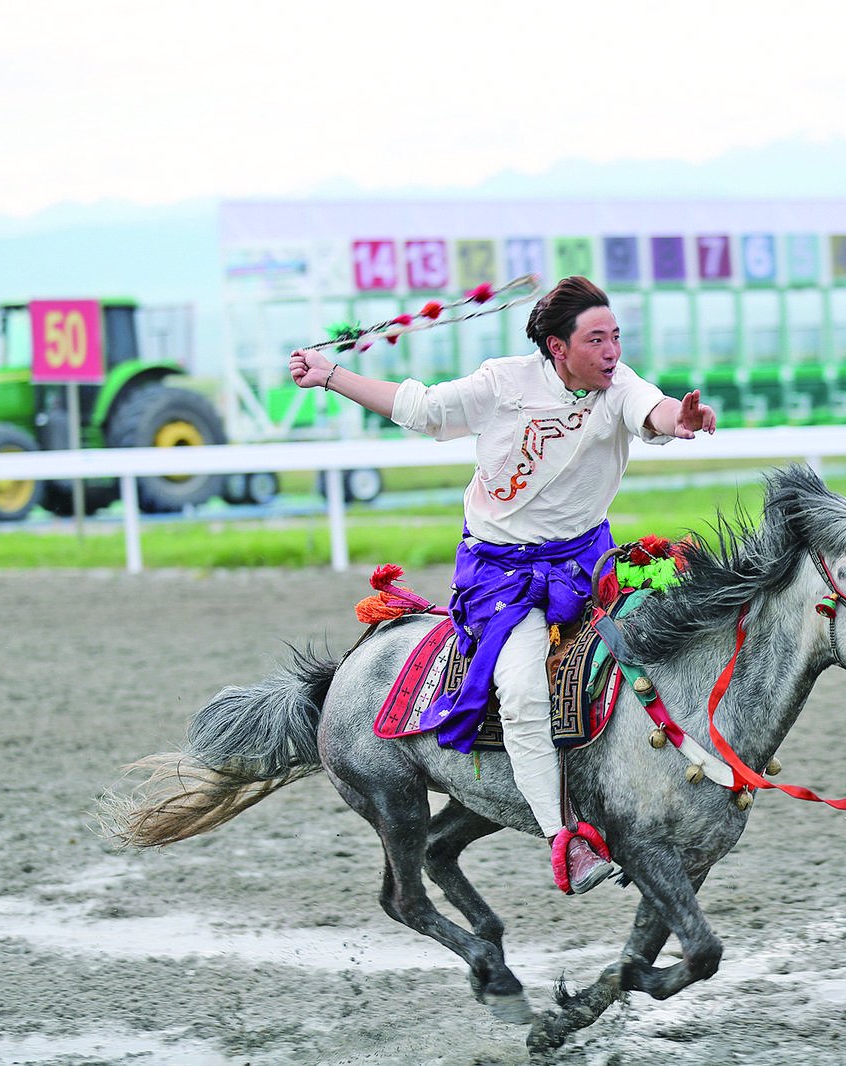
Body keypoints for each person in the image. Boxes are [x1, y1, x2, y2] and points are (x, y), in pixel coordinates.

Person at [288, 276, 715, 893]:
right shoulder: (501, 383)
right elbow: (421, 409)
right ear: (557, 347)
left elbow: (657, 411)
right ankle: (566, 839)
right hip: (502, 578)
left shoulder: (621, 386)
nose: (612, 351)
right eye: (596, 340)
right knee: (521, 691)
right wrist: (331, 375)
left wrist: (682, 418)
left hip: (589, 565)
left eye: (616, 336)